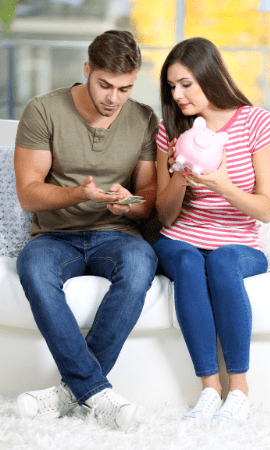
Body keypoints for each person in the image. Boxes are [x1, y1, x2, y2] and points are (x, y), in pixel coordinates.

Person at [14, 30, 159, 432]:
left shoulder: (145, 118)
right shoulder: (43, 110)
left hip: (116, 234)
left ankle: (71, 391)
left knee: (141, 263)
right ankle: (96, 392)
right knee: (34, 269)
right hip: (54, 237)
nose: (114, 98)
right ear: (87, 71)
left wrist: (125, 201)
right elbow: (28, 194)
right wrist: (80, 192)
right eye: (105, 85)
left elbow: (148, 198)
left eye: (125, 88)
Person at [153, 37, 270, 423]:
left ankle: (238, 391)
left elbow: (267, 209)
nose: (177, 94)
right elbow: (164, 216)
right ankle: (209, 390)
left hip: (238, 243)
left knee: (223, 260)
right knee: (191, 263)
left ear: (209, 76)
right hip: (180, 240)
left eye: (185, 84)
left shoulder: (257, 122)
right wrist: (178, 175)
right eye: (171, 86)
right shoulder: (170, 130)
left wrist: (221, 184)